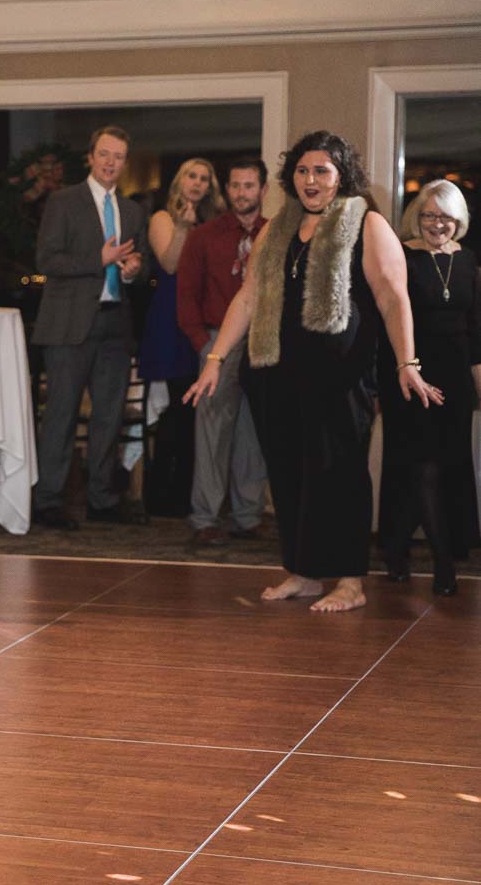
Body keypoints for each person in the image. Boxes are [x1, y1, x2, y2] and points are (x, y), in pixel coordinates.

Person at [186, 130, 442, 613]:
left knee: (340, 476)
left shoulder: (367, 224)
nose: (310, 180)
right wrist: (215, 360)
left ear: (341, 175)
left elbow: (393, 298)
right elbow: (248, 297)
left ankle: (349, 580)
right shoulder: (277, 230)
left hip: (341, 378)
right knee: (290, 475)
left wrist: (408, 362)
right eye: (302, 170)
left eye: (321, 170)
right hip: (277, 375)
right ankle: (303, 572)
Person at [32, 126, 149, 529]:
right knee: (61, 415)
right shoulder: (64, 202)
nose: (110, 162)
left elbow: (142, 264)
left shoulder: (132, 211)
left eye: (118, 156)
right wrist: (97, 259)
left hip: (116, 322)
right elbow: (47, 260)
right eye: (104, 154)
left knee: (109, 416)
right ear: (91, 156)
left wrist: (133, 269)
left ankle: (103, 499)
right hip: (68, 326)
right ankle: (48, 501)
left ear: (125, 162)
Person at [377, 180, 480, 595]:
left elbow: (475, 330)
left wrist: (477, 381)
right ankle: (442, 561)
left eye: (446, 217)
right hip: (410, 373)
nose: (438, 224)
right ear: (415, 217)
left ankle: (397, 548)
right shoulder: (402, 255)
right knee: (420, 466)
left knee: (444, 467)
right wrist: (403, 369)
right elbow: (388, 318)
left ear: (460, 220)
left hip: (454, 380)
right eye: (429, 215)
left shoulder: (468, 260)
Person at [178, 158, 270, 546]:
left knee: (254, 433)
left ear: (264, 190)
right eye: (235, 185)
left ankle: (248, 516)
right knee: (212, 432)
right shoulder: (204, 236)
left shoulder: (276, 234)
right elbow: (186, 296)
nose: (241, 193)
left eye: (249, 185)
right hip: (217, 343)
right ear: (227, 188)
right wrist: (204, 345)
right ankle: (205, 518)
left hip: (263, 343)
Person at [139, 158, 224, 517]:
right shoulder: (163, 218)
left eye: (205, 178)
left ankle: (191, 493)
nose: (198, 183)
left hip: (202, 318)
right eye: (192, 175)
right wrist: (184, 228)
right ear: (180, 180)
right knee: (175, 409)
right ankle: (161, 495)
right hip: (169, 319)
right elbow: (170, 264)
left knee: (196, 410)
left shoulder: (214, 222)